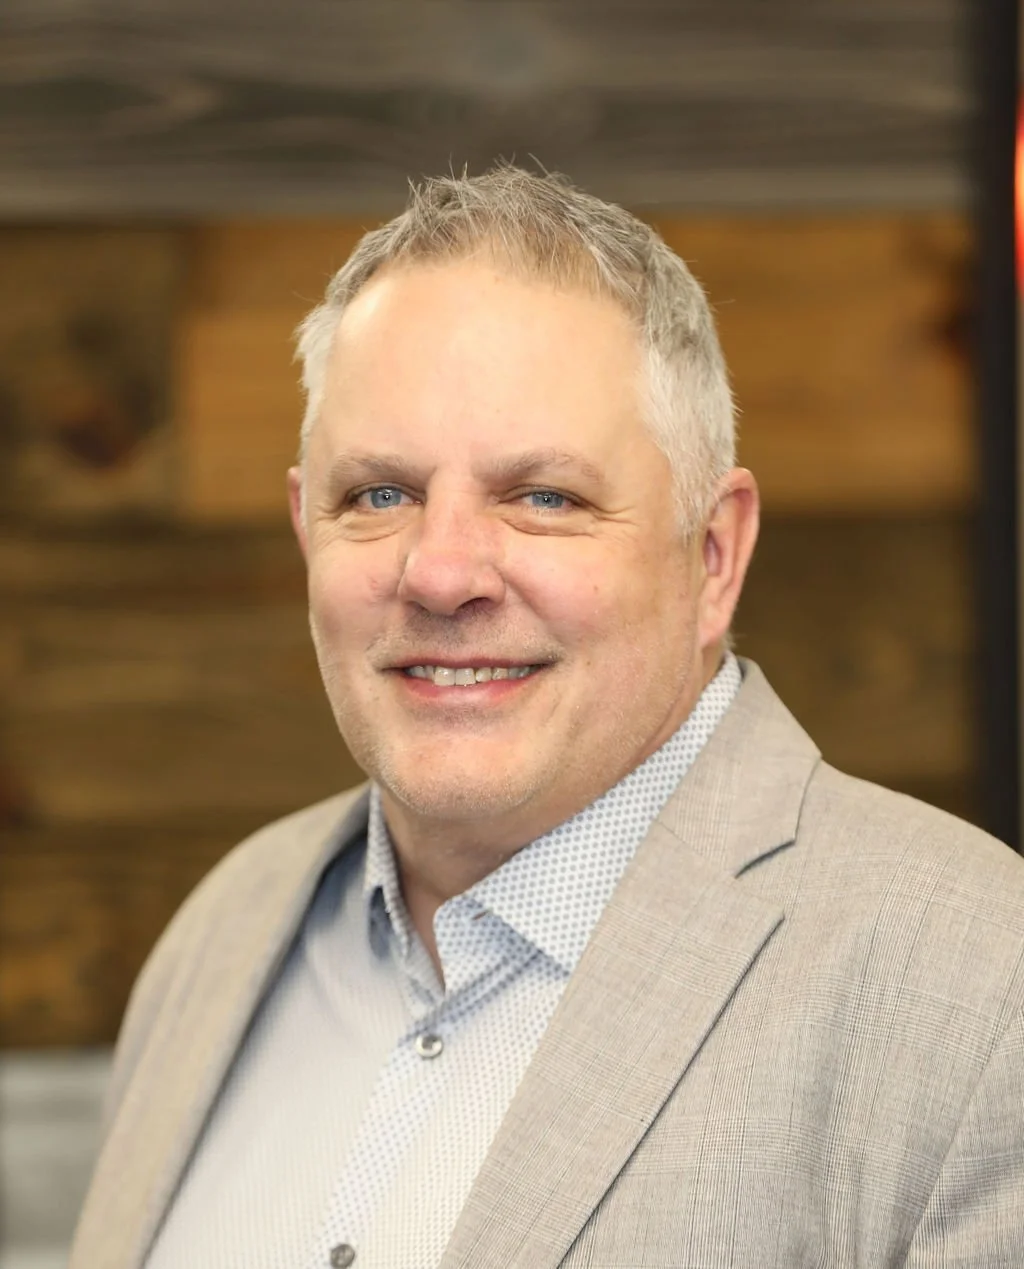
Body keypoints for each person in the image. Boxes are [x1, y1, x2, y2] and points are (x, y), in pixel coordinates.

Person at [72, 166, 1024, 1269]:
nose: (440, 573)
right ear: (305, 530)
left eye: (543, 497)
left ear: (712, 556)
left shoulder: (979, 993)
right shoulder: (220, 939)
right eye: (377, 493)